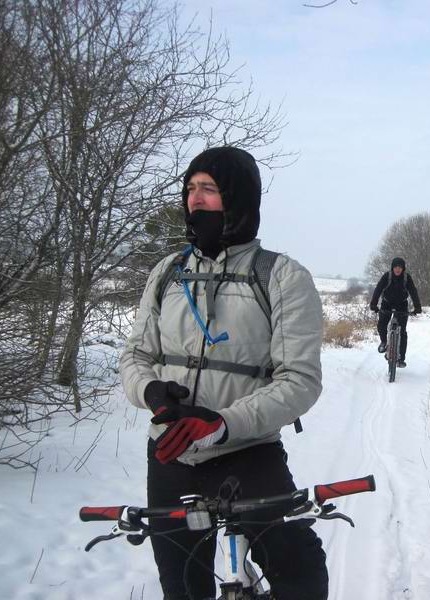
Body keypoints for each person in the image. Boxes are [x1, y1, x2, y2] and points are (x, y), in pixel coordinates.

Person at [119, 146, 328, 600]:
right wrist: (151, 390)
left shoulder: (281, 276)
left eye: (209, 189)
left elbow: (300, 380)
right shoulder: (167, 273)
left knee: (302, 574)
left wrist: (223, 423)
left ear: (238, 198)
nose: (195, 198)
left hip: (249, 454)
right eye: (190, 188)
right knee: (182, 589)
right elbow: (134, 356)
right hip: (171, 456)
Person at [368, 257, 422, 368]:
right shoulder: (387, 277)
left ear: (403, 268)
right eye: (396, 267)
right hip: (386, 304)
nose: (398, 269)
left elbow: (413, 292)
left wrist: (417, 307)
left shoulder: (407, 278)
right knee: (381, 325)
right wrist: (373, 304)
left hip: (401, 305)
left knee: (402, 333)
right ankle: (384, 342)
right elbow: (378, 289)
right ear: (392, 267)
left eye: (400, 267)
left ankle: (401, 359)